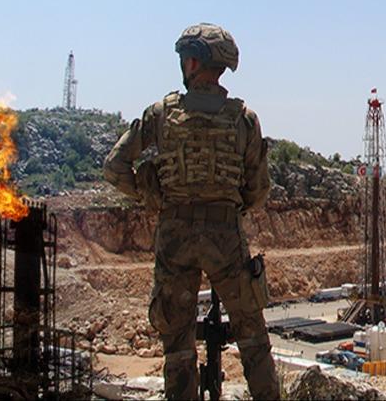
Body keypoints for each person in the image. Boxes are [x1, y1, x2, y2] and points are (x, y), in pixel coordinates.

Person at [104, 23, 279, 400]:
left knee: (178, 343)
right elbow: (259, 188)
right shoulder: (244, 119)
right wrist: (232, 208)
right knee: (252, 335)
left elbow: (115, 166)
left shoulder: (160, 113)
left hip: (174, 236)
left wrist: (151, 196)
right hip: (225, 238)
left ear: (194, 62)